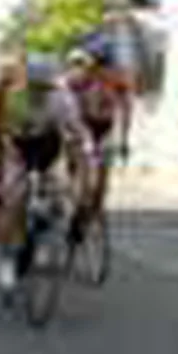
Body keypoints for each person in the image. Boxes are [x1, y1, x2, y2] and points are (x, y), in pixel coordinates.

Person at [0, 53, 96, 294]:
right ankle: (6, 256)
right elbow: (6, 136)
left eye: (44, 87)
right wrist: (14, 164)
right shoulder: (15, 97)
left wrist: (86, 147)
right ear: (27, 82)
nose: (40, 92)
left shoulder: (62, 98)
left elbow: (76, 129)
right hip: (19, 148)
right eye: (35, 86)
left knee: (58, 192)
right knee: (13, 198)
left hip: (49, 147)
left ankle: (45, 233)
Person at [64, 41, 134, 245]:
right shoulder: (79, 78)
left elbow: (127, 108)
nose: (102, 69)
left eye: (106, 64)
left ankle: (88, 217)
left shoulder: (119, 78)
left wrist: (124, 139)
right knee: (85, 178)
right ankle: (75, 212)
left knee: (101, 187)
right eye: (98, 64)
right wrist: (71, 132)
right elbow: (64, 101)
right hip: (82, 125)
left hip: (105, 127)